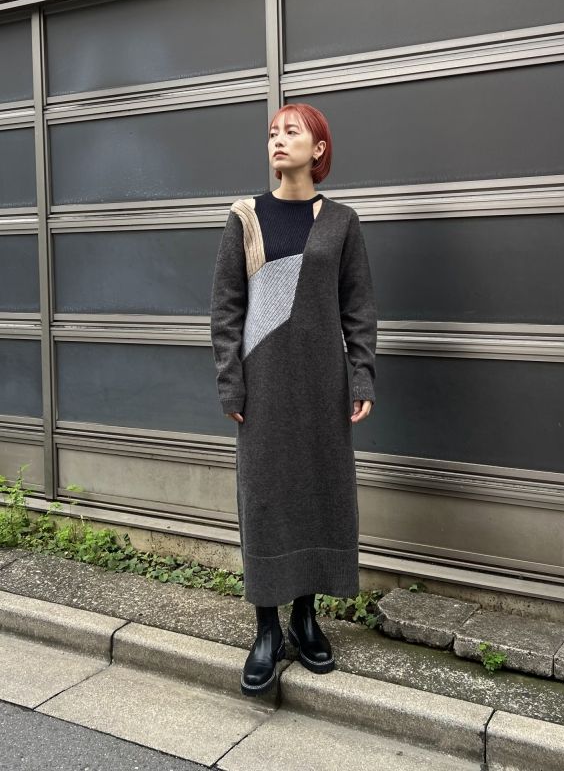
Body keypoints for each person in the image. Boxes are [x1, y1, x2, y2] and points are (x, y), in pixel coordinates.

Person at [210, 103, 377, 696]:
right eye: (272, 133)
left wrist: (362, 377)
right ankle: (266, 628)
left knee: (315, 492)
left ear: (319, 149)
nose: (278, 141)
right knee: (265, 498)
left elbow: (358, 308)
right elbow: (226, 309)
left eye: (291, 132)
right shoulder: (246, 217)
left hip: (322, 386)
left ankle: (306, 618)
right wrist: (230, 380)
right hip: (263, 388)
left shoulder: (342, 222)